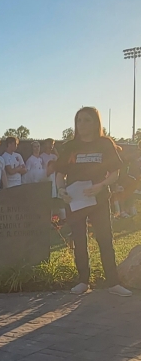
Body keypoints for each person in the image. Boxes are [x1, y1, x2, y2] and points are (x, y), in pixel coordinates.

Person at [55, 107, 132, 297]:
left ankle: (113, 283)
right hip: (75, 200)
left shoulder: (105, 144)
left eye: (87, 120)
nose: (82, 124)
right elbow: (59, 174)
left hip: (98, 198)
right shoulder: (69, 146)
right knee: (79, 240)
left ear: (96, 122)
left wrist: (101, 185)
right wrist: (61, 190)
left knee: (105, 239)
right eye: (79, 120)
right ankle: (83, 281)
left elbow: (115, 172)